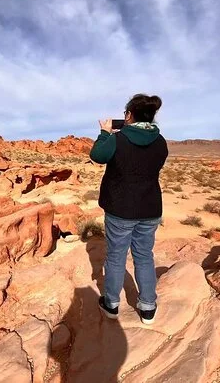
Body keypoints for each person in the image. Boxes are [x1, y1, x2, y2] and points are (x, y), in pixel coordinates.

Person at [89, 93, 168, 324]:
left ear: (129, 115)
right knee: (144, 256)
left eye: (126, 113)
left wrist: (105, 132)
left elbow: (97, 155)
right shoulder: (160, 141)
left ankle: (111, 304)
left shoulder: (118, 139)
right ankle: (148, 307)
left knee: (116, 256)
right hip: (149, 208)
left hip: (120, 208)